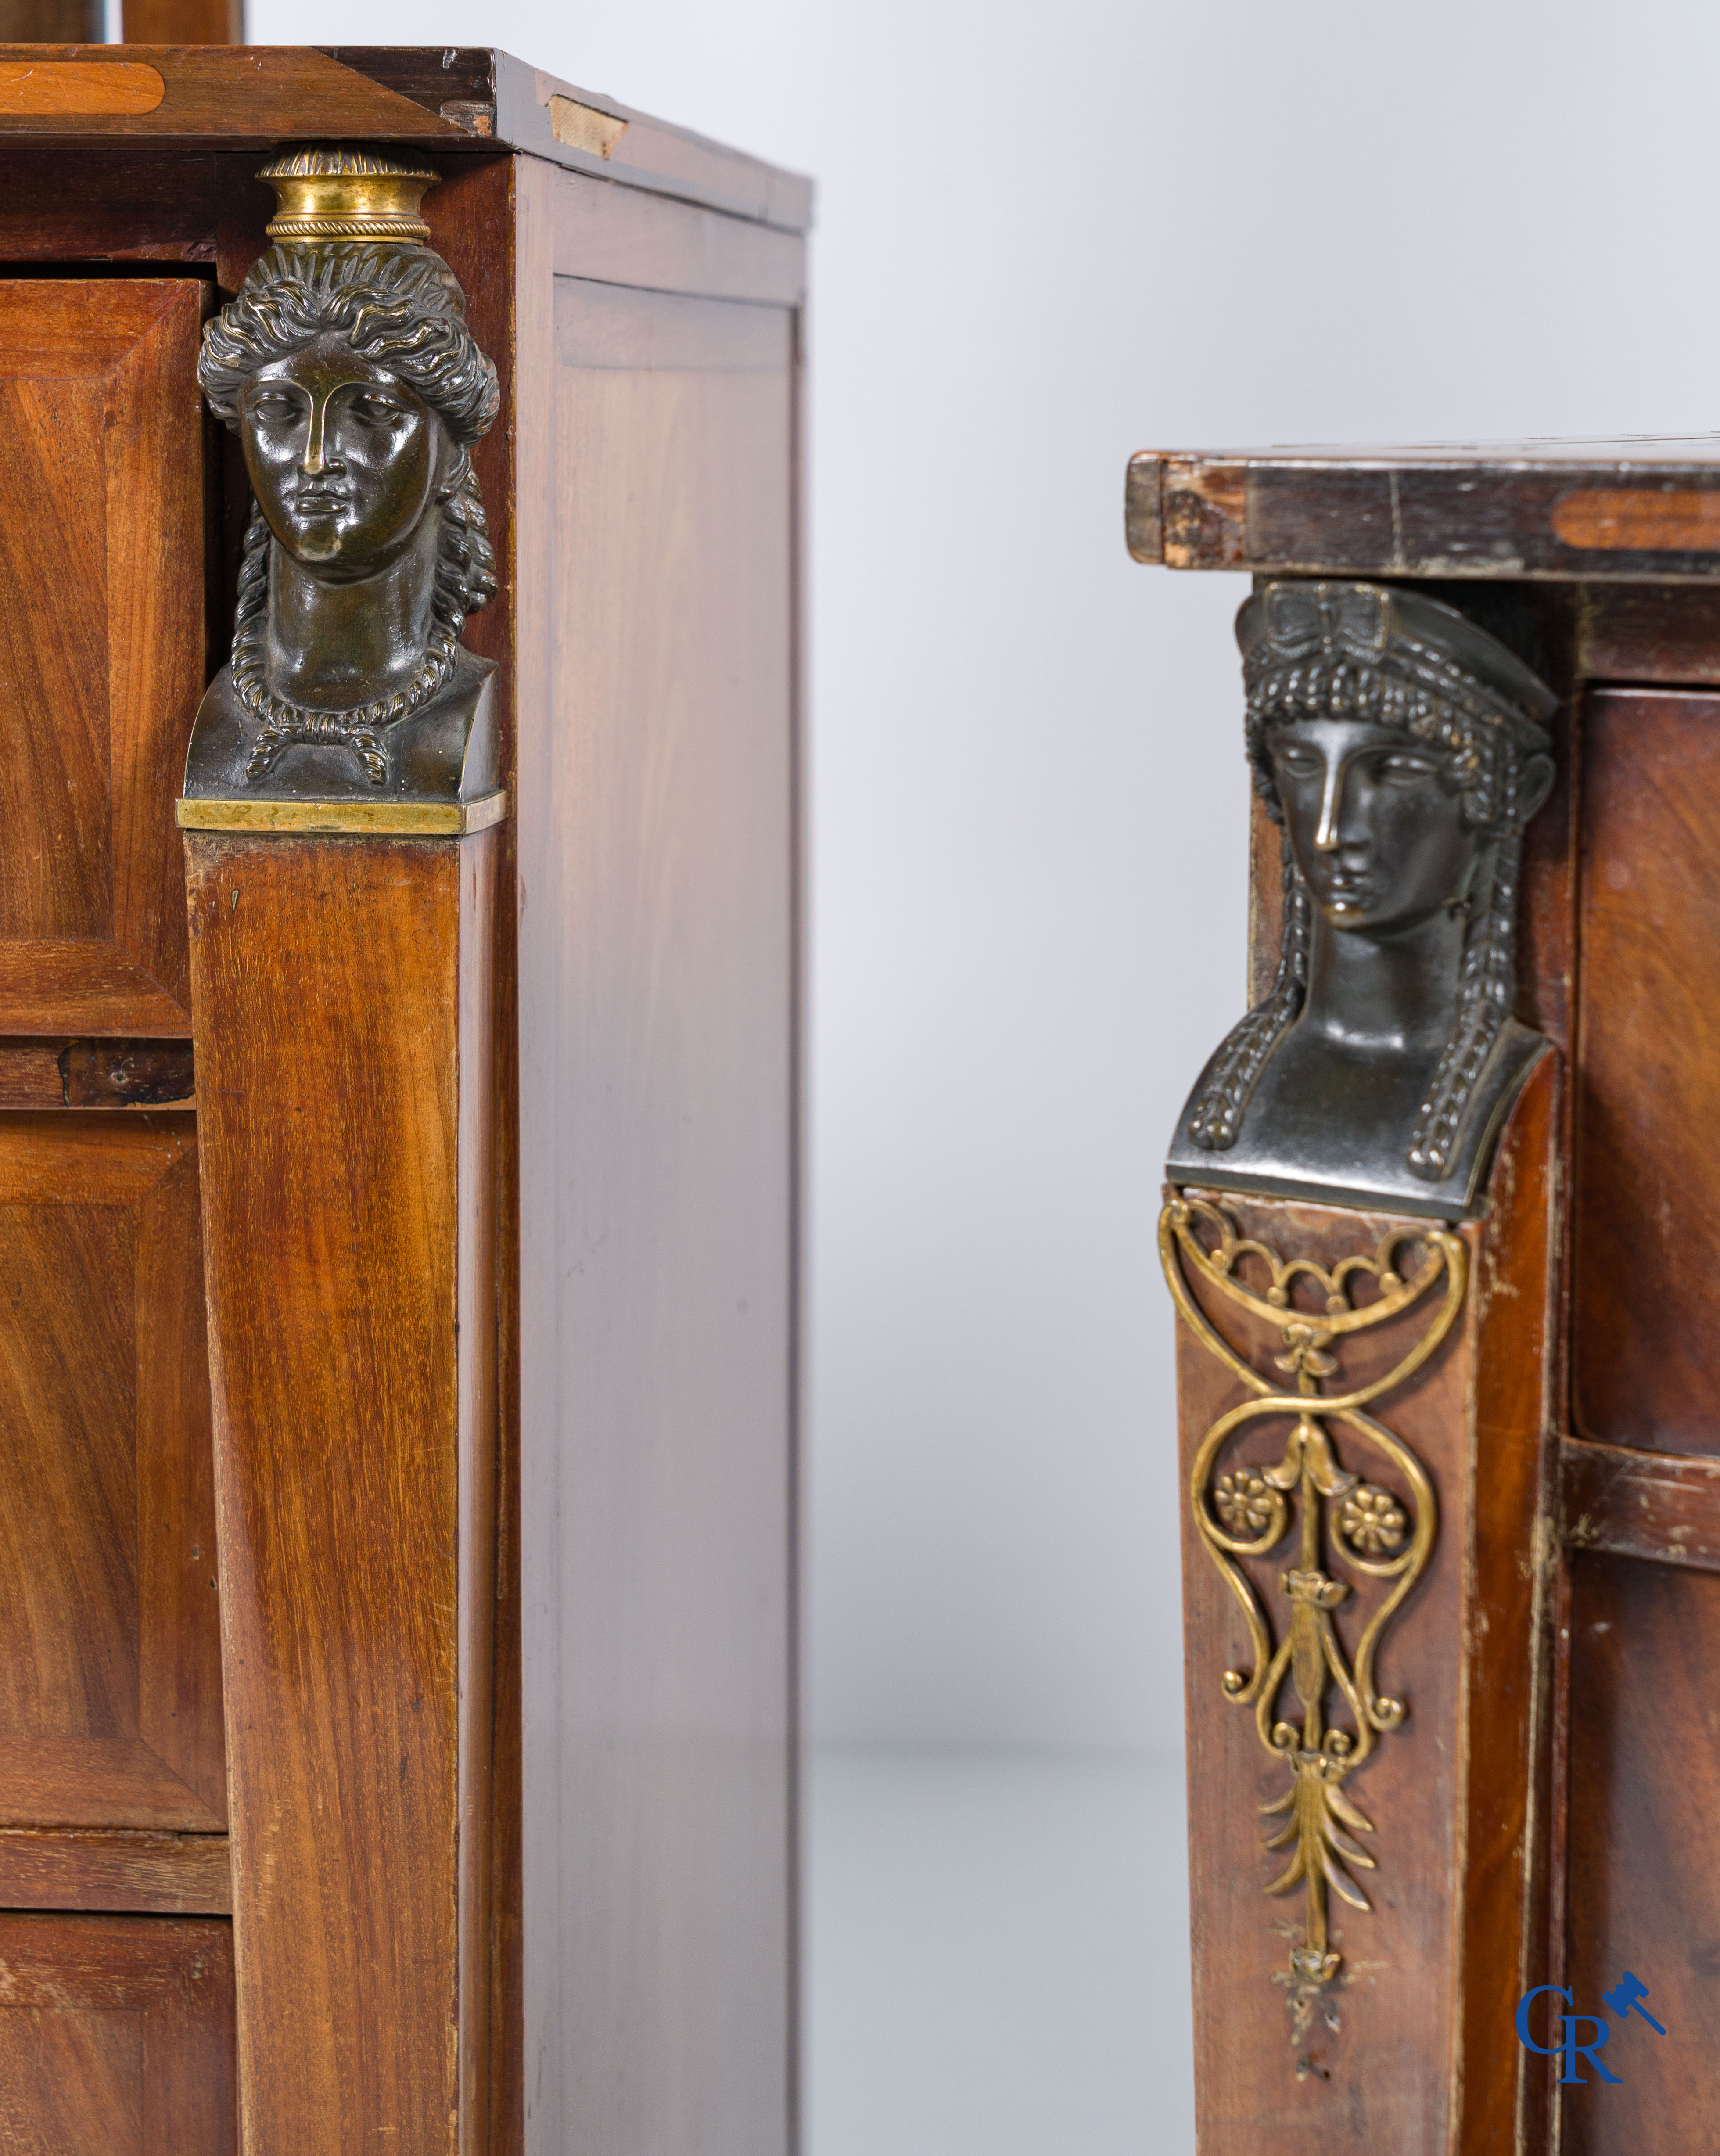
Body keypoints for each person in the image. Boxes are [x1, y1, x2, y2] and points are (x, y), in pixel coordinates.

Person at [1167, 579, 1557, 1216]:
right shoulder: (1229, 1106)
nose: (1329, 831)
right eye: (1300, 764)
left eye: (1394, 771)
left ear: (1513, 793)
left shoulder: (1504, 1085)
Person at [186, 146, 500, 802]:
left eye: (373, 412)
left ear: (447, 453)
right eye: (279, 410)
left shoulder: (460, 709)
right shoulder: (215, 701)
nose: (316, 456)